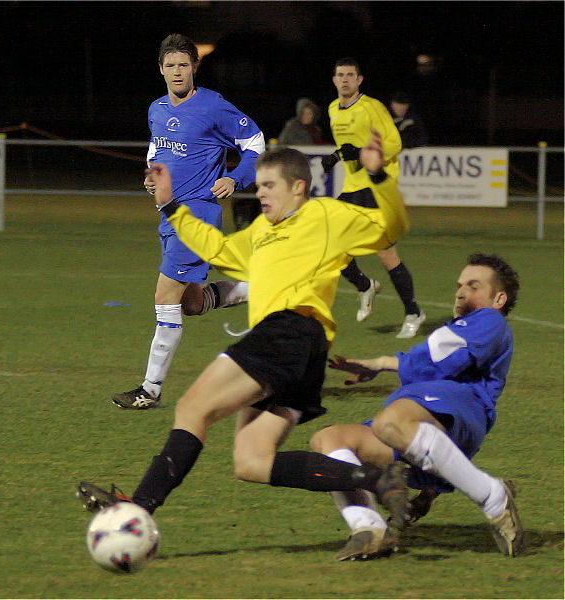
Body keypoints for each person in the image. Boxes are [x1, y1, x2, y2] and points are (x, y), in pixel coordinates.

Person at [77, 132, 413, 537]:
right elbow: (217, 249)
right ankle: (380, 480)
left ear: (298, 187)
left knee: (192, 409)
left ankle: (138, 508)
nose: (261, 193)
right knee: (251, 462)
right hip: (304, 354)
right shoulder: (261, 232)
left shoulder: (325, 215)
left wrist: (379, 179)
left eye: (269, 185)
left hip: (290, 332)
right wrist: (169, 204)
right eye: (259, 185)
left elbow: (390, 227)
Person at [310, 252, 524, 560]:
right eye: (459, 284)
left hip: (455, 410)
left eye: (473, 286)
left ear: (499, 298)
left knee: (390, 422)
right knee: (329, 438)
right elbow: (435, 371)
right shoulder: (465, 332)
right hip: (426, 430)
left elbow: (439, 358)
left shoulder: (490, 321)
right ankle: (370, 529)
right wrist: (431, 491)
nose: (461, 291)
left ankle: (493, 496)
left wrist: (384, 363)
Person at [112, 33, 265, 410]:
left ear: (195, 67)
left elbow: (256, 142)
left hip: (197, 214)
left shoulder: (213, 106)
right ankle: (265, 287)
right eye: (170, 65)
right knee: (192, 304)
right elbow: (156, 148)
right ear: (161, 70)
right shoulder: (157, 108)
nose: (177, 72)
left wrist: (235, 177)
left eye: (184, 65)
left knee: (165, 298)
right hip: (170, 215)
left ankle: (150, 390)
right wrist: (152, 175)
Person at [322, 58, 425, 337]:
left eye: (350, 75)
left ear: (359, 80)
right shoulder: (333, 109)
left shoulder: (372, 107)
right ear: (334, 80)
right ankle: (365, 285)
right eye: (340, 75)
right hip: (354, 186)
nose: (344, 80)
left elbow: (394, 143)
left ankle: (414, 312)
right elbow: (349, 146)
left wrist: (364, 152)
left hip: (377, 188)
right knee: (330, 243)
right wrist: (337, 156)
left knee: (386, 254)